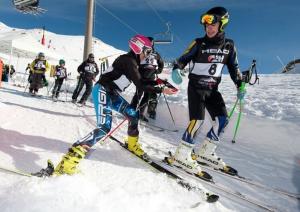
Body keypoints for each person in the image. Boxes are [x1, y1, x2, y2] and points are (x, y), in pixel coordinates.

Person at [36, 34, 172, 177]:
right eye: (148, 51)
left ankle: (132, 144)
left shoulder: (133, 63)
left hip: (112, 93)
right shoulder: (128, 61)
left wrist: (160, 83)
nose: (148, 55)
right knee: (104, 127)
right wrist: (161, 89)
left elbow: (144, 80)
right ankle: (68, 162)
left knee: (133, 114)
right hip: (102, 90)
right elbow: (141, 84)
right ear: (139, 48)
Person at [166, 7, 243, 179]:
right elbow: (181, 59)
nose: (208, 27)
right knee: (197, 121)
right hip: (196, 88)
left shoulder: (229, 46)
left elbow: (234, 68)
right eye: (206, 23)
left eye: (213, 22)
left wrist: (240, 85)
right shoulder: (198, 43)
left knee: (223, 120)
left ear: (222, 23)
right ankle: (181, 154)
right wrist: (176, 69)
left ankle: (205, 152)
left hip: (212, 89)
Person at [130, 37, 164, 122]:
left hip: (151, 77)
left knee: (147, 96)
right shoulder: (142, 51)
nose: (150, 43)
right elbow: (136, 60)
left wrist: (158, 70)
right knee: (138, 94)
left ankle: (140, 114)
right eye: (149, 42)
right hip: (142, 75)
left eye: (151, 42)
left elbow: (161, 63)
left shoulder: (156, 54)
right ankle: (131, 111)